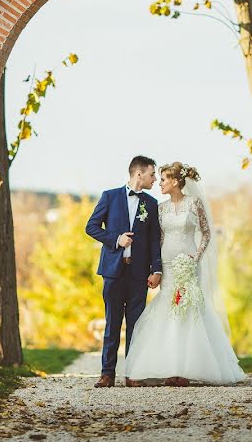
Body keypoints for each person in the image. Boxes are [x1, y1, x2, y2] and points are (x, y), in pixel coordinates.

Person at [124, 162, 245, 386]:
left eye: (163, 180)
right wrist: (156, 267)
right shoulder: (160, 208)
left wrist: (195, 258)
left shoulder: (194, 203)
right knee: (168, 307)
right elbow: (157, 240)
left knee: (188, 306)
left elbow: (207, 234)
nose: (159, 183)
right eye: (158, 179)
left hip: (189, 262)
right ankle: (170, 367)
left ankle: (187, 368)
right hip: (168, 264)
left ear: (176, 181)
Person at [85, 155, 163, 388]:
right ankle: (107, 374)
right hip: (113, 272)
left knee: (136, 326)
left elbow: (153, 241)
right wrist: (115, 239)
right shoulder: (109, 197)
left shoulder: (150, 203)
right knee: (112, 324)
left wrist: (156, 269)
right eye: (152, 174)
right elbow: (91, 227)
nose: (155, 178)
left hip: (139, 273)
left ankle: (133, 374)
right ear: (139, 174)